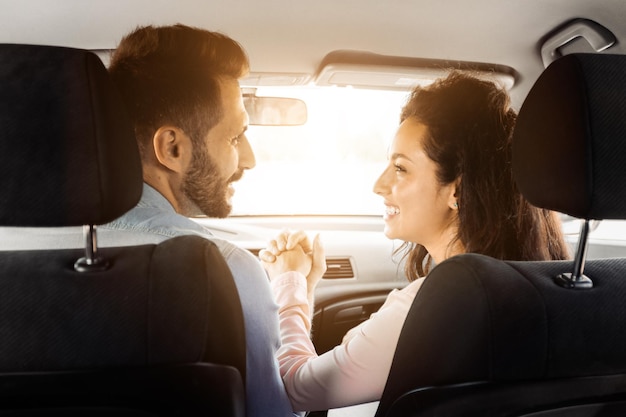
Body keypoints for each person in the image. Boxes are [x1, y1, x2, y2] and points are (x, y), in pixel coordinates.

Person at [259, 71, 570, 413]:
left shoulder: (427, 310)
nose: (378, 185)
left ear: (457, 190)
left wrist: (291, 287)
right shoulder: (571, 297)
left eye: (401, 169)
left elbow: (293, 389)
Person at [101, 24, 295, 417]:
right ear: (172, 147)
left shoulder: (15, 260)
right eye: (236, 137)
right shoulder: (222, 270)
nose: (249, 158)